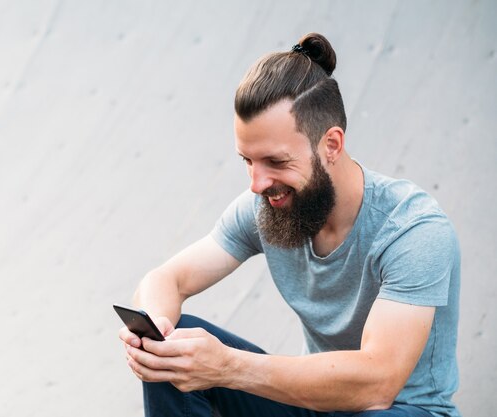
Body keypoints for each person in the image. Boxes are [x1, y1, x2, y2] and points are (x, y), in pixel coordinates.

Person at [118, 33, 460, 417]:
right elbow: (166, 280)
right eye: (247, 160)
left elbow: (377, 383)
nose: (257, 183)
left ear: (331, 145)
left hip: (400, 410)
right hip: (313, 406)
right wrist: (157, 332)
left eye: (275, 162)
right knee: (177, 351)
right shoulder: (267, 206)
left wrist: (229, 367)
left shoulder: (413, 231)